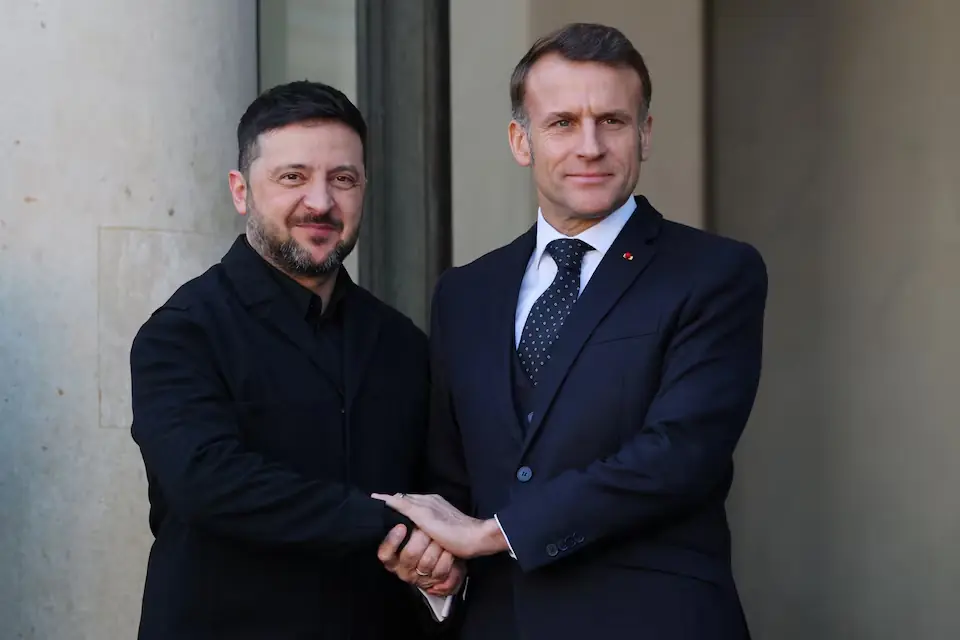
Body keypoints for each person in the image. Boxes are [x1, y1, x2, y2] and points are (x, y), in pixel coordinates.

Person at [376, 22, 767, 640]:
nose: (590, 146)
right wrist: (436, 562)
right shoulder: (465, 293)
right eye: (562, 123)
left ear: (644, 134)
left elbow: (679, 455)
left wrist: (495, 534)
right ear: (521, 140)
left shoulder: (715, 273)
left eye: (612, 121)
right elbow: (453, 481)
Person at [129, 81, 461, 640]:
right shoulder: (182, 333)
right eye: (293, 177)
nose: (321, 202)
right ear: (241, 191)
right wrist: (386, 522)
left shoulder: (403, 343)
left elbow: (440, 495)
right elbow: (207, 482)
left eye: (343, 179)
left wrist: (440, 558)